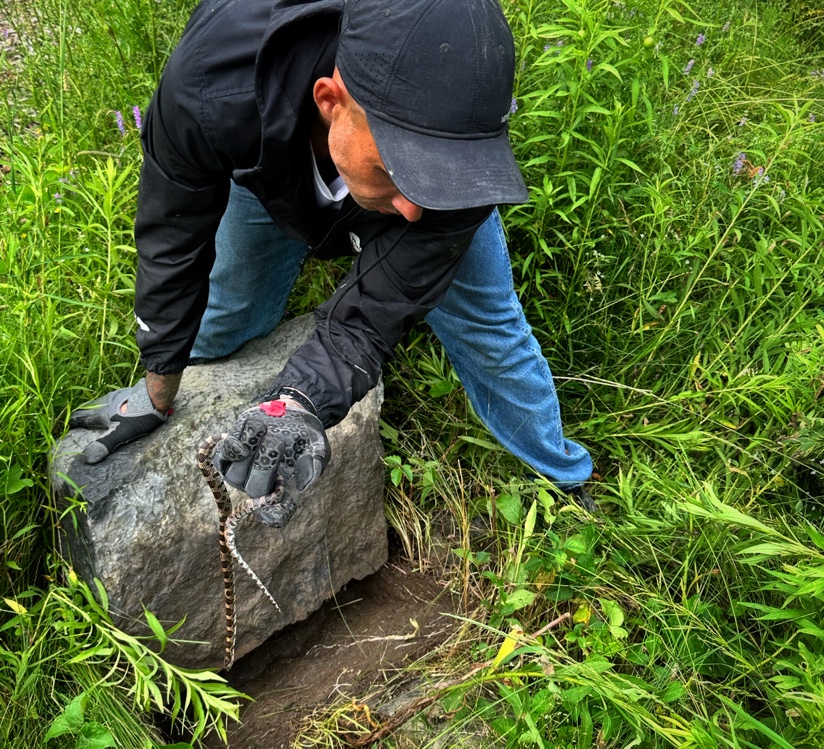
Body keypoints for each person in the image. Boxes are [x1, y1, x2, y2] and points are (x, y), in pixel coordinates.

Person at [70, 0, 596, 520]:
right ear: (329, 99)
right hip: (271, 156)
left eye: (426, 178)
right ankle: (192, 402)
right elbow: (173, 237)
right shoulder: (213, 85)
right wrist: (160, 385)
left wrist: (298, 402)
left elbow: (376, 310)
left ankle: (563, 478)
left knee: (487, 327)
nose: (413, 210)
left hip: (442, 172)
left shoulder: (463, 134)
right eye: (395, 167)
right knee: (228, 310)